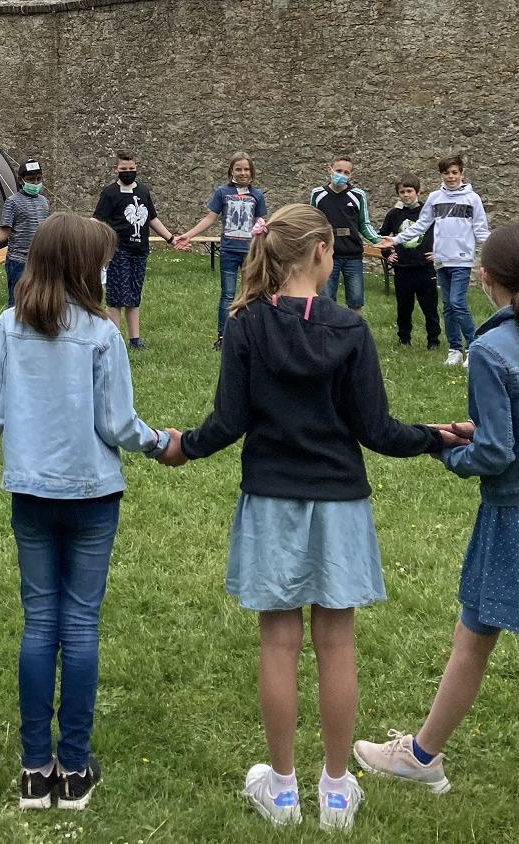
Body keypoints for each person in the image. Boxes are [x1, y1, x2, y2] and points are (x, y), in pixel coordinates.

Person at [158, 205, 463, 832]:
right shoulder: (348, 327)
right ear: (323, 252)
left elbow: (227, 422)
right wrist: (436, 437)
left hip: (271, 500)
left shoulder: (246, 325)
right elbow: (375, 429)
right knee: (337, 643)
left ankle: (285, 789)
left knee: (277, 642)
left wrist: (183, 445)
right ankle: (333, 789)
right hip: (339, 504)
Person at [354, 223, 519, 844]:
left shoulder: (490, 351)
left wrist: (446, 450)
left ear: (484, 278)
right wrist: (482, 431)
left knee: (473, 640)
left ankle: (421, 757)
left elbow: (496, 455)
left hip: (518, 517)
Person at [0, 213, 169, 811]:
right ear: (80, 265)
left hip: (33, 494)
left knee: (41, 624)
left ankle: (37, 768)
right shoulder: (99, 333)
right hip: (92, 494)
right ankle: (72, 764)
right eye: (100, 260)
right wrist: (160, 443)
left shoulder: (9, 326)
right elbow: (116, 423)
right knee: (79, 625)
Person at [392, 154, 490, 367]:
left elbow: (481, 230)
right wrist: (395, 240)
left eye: (454, 173)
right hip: (441, 260)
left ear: (462, 174)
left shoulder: (473, 199)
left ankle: (474, 347)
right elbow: (421, 225)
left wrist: (496, 250)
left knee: (458, 303)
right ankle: (454, 349)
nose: (451, 177)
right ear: (441, 175)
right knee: (447, 306)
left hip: (462, 261)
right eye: (446, 173)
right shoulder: (435, 198)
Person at [175, 152, 268, 349]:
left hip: (250, 252)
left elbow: (260, 223)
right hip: (229, 251)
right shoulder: (222, 192)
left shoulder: (257, 195)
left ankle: (249, 335)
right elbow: (210, 218)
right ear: (231, 171)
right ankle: (223, 337)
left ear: (251, 172)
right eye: (238, 169)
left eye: (246, 169)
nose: (243, 173)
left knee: (251, 293)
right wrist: (189, 235)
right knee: (228, 294)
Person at [92, 150, 178, 350]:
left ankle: (135, 340)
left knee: (133, 296)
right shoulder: (110, 193)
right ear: (116, 169)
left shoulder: (143, 192)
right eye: (124, 169)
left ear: (136, 168)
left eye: (132, 169)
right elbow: (97, 220)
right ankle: (114, 340)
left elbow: (152, 219)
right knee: (116, 297)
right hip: (118, 250)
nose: (128, 172)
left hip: (140, 251)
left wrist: (171, 239)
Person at [309, 155, 389, 316]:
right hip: (327, 255)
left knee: (355, 300)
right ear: (329, 170)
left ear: (351, 174)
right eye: (338, 171)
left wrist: (378, 240)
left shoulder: (358, 195)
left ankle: (354, 334)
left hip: (353, 255)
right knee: (326, 300)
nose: (342, 175)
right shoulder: (318, 194)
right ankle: (327, 334)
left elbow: (364, 224)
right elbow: (312, 222)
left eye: (346, 172)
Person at [379, 175, 441, 348]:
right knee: (404, 308)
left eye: (409, 191)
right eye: (402, 192)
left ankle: (433, 340)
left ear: (417, 191)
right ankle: (404, 338)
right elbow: (382, 236)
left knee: (430, 308)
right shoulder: (394, 214)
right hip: (403, 268)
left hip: (425, 267)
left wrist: (438, 252)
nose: (406, 195)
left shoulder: (428, 212)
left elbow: (443, 233)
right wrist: (387, 253)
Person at [0, 158, 50, 307]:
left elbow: (47, 229)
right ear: (21, 180)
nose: (35, 183)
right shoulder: (12, 202)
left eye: (38, 179)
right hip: (18, 261)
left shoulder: (44, 202)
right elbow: (5, 230)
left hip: (39, 260)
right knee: (17, 302)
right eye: (30, 179)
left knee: (38, 301)